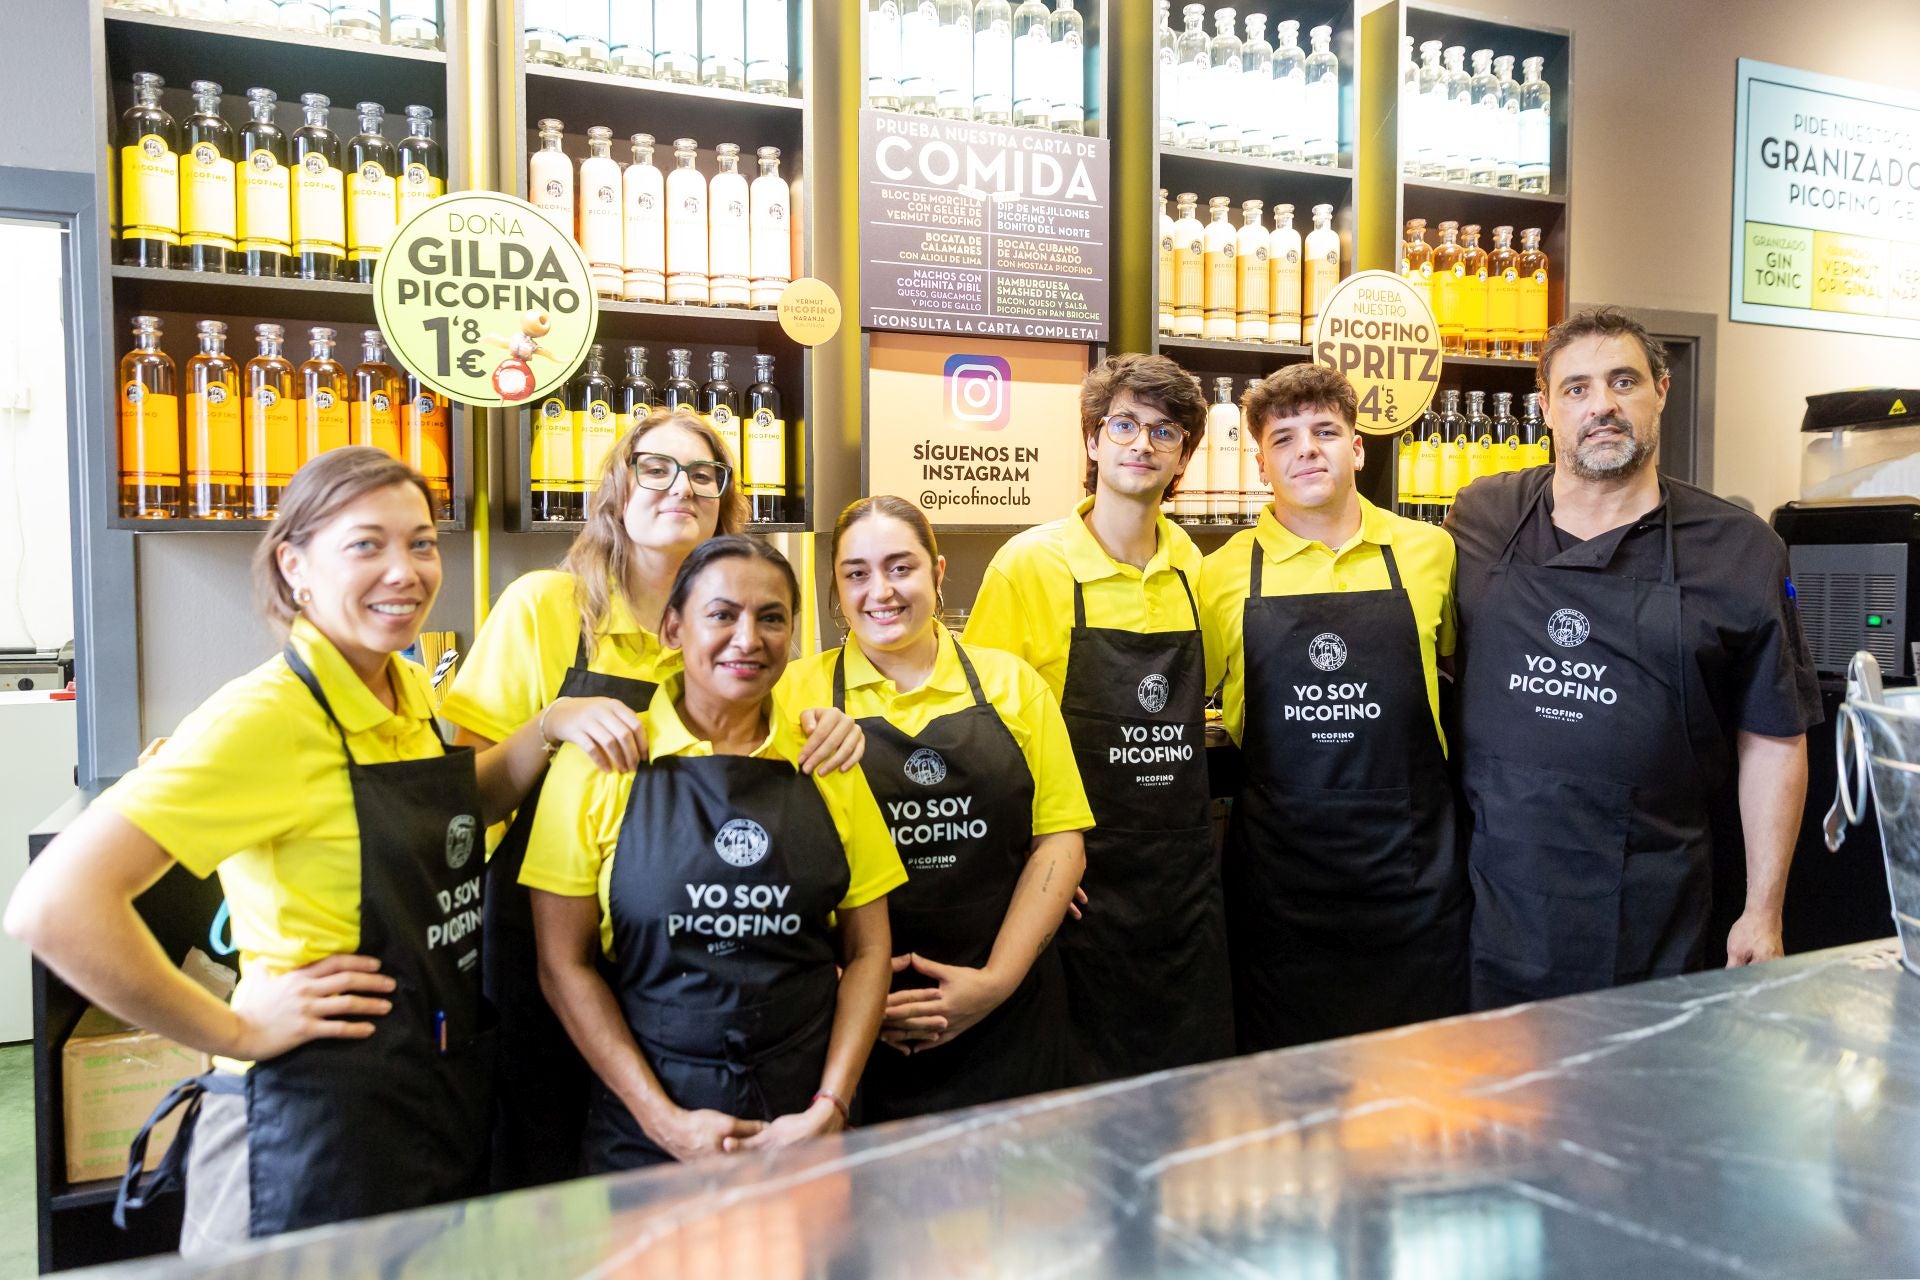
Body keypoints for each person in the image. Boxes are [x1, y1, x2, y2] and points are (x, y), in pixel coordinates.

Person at [3, 448, 643, 1253]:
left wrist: (549, 725)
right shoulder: (268, 716)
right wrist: (233, 1032)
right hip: (308, 1128)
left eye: (421, 542)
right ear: (294, 564)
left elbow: (454, 811)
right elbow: (54, 906)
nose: (405, 570)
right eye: (366, 545)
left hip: (415, 1103)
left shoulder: (405, 691)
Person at [439, 408, 861, 1189]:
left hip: (694, 984)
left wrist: (836, 728)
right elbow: (462, 808)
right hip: (550, 952)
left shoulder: (749, 631)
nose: (682, 487)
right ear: (617, 485)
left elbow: (785, 744)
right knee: (545, 1165)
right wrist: (548, 724)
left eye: (704, 474)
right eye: (656, 467)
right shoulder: (546, 608)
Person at [1446, 307, 1820, 1008]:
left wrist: (1763, 909)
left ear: (1661, 391)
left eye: (1623, 381)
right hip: (1496, 898)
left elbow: (1774, 738)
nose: (1602, 405)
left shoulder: (1738, 549)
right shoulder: (1482, 516)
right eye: (1577, 388)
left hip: (1654, 906)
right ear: (1547, 409)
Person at [524, 536, 905, 1169]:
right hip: (647, 1127)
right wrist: (662, 1120)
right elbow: (563, 966)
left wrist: (830, 1108)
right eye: (722, 614)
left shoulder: (827, 758)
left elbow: (868, 951)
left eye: (772, 617)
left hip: (805, 1117)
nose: (748, 638)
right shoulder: (601, 761)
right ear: (674, 627)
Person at [964, 354, 1232, 1082]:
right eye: (1124, 425)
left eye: (1164, 432)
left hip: (1177, 887)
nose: (1141, 444)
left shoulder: (1192, 567)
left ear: (1182, 457)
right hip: (1075, 891)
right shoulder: (1027, 565)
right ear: (1091, 440)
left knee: (1185, 1097)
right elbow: (979, 733)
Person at [786, 497, 1092, 1119]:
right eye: (856, 574)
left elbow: (1060, 840)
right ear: (837, 588)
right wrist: (845, 993)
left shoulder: (1011, 684)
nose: (881, 592)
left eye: (901, 568)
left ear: (938, 572)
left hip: (1011, 1018)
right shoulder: (793, 696)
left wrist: (996, 983)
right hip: (850, 1027)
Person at [1200, 364, 1468, 1051]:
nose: (1307, 449)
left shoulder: (1430, 552)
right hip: (1283, 885)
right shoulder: (1220, 572)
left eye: (1325, 431)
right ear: (1260, 463)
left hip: (1412, 876)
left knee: (1422, 1082)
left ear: (1359, 449)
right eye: (1284, 439)